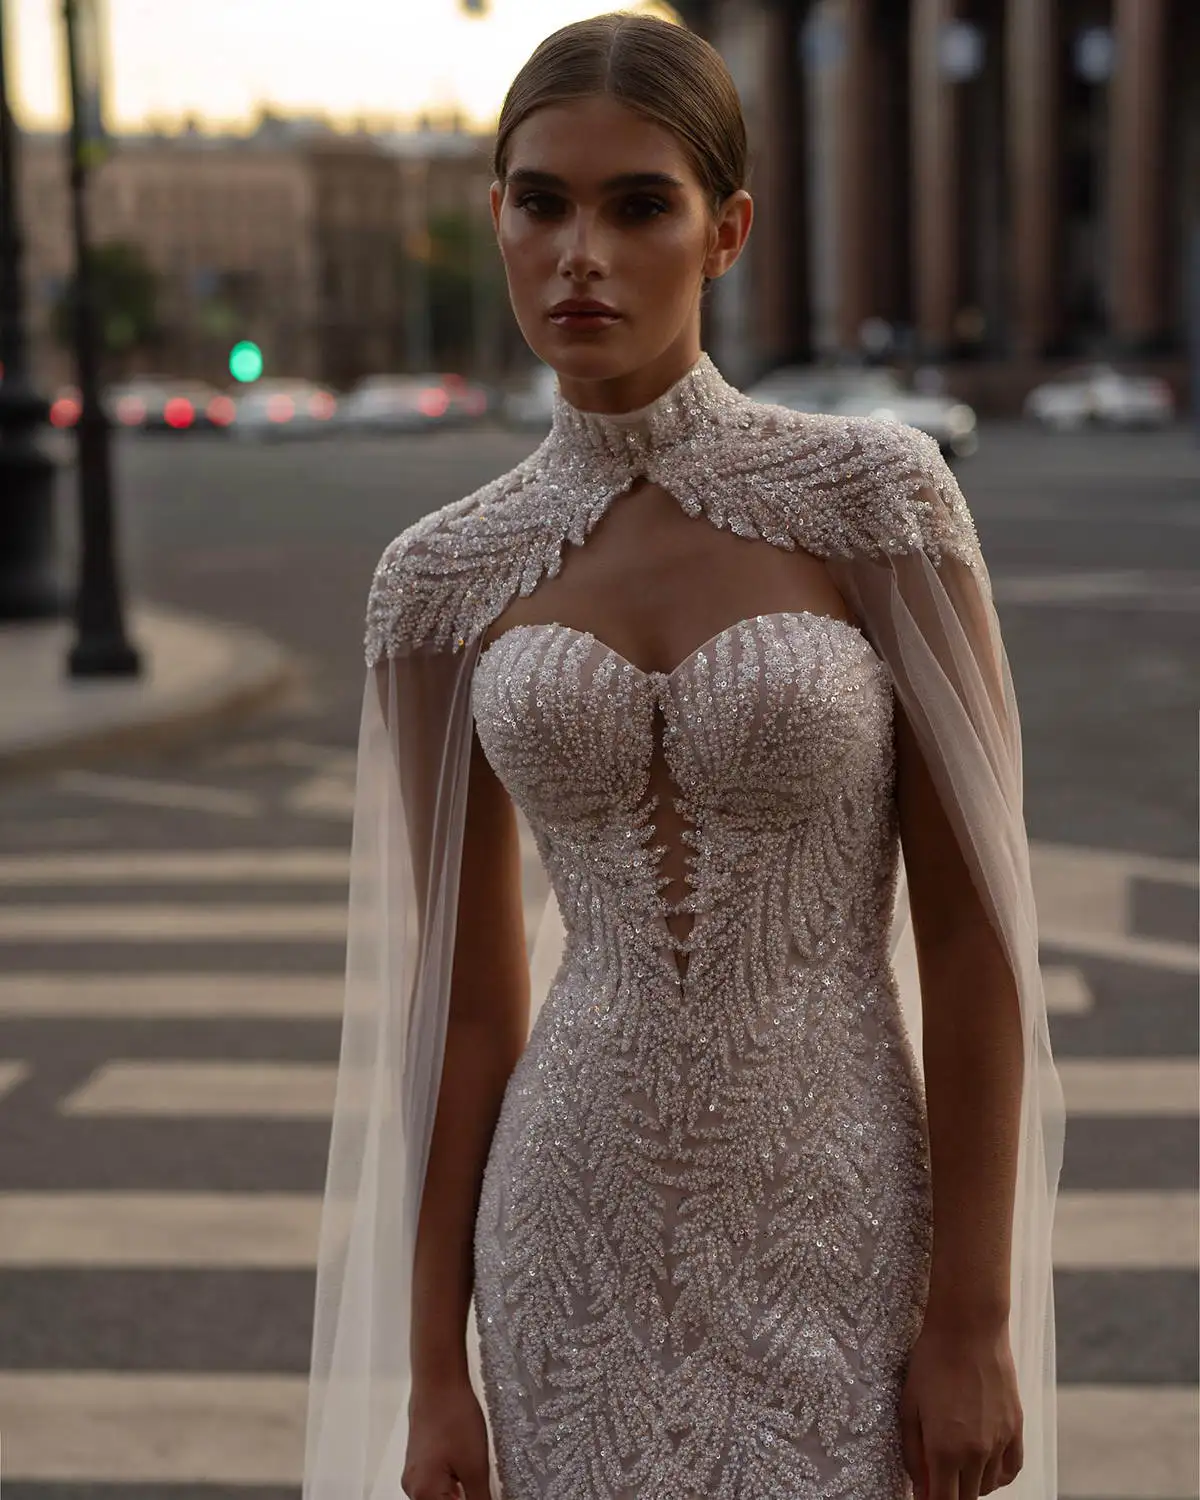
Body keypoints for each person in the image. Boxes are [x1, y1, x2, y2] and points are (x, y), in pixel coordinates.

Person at [301, 14, 1064, 1500]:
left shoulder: (875, 499)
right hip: (561, 1234)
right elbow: (462, 1008)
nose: (581, 248)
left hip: (838, 1220)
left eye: (636, 203)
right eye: (541, 201)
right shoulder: (437, 580)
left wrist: (971, 1319)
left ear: (725, 232)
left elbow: (975, 937)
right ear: (500, 224)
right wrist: (429, 1373)